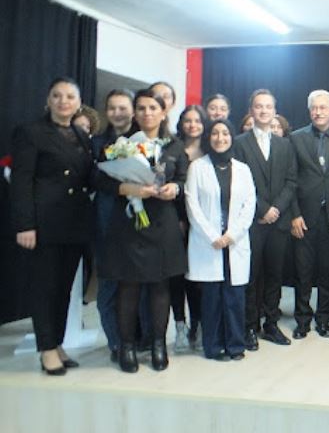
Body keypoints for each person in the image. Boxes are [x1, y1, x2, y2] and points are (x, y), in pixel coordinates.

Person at [95, 89, 189, 373]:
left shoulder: (175, 146)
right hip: (129, 222)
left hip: (163, 222)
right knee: (129, 285)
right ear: (135, 113)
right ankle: (127, 346)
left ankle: (159, 344)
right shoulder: (120, 144)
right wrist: (128, 188)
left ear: (163, 112)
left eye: (153, 108)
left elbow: (183, 179)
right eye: (142, 108)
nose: (147, 113)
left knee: (160, 286)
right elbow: (100, 179)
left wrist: (175, 189)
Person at [11, 77, 94, 375]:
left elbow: (88, 178)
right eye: (57, 96)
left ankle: (57, 343)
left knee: (63, 290)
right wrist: (25, 224)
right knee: (44, 288)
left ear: (79, 103)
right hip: (44, 224)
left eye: (70, 96)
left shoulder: (81, 135)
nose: (63, 101)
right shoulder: (31, 132)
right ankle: (46, 349)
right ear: (48, 101)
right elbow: (21, 181)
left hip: (74, 224)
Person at [185, 119, 256, 361]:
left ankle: (236, 345)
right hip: (209, 243)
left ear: (231, 137)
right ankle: (213, 347)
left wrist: (232, 234)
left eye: (225, 133)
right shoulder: (197, 167)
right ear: (209, 137)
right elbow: (192, 205)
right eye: (215, 133)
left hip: (235, 241)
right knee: (212, 299)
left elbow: (249, 205)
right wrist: (213, 236)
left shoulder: (243, 169)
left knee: (235, 297)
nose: (220, 138)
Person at [232, 89, 298, 349]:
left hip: (278, 222)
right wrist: (262, 210)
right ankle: (250, 326)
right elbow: (238, 182)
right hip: (252, 221)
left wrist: (276, 209)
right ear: (251, 111)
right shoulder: (239, 143)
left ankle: (271, 323)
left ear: (274, 111)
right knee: (251, 275)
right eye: (258, 106)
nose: (263, 111)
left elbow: (291, 181)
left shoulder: (285, 144)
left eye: (268, 107)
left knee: (274, 275)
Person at [289, 89, 329, 338]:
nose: (318, 112)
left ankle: (323, 318)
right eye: (314, 108)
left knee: (327, 271)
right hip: (303, 217)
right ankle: (302, 320)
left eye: (323, 107)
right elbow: (290, 179)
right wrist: (294, 214)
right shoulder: (296, 138)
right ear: (309, 111)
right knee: (302, 272)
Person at [91, 89, 137, 361]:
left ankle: (137, 339)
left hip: (139, 221)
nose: (117, 113)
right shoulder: (97, 143)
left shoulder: (145, 140)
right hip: (106, 220)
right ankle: (116, 343)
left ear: (133, 110)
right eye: (112, 108)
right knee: (109, 285)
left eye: (123, 108)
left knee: (138, 285)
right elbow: (93, 178)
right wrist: (121, 186)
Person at [171, 105, 207, 352]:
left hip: (202, 225)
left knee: (197, 279)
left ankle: (198, 326)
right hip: (174, 222)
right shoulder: (171, 148)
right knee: (175, 278)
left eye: (197, 120)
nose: (193, 125)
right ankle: (180, 327)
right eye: (188, 120)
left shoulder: (210, 150)